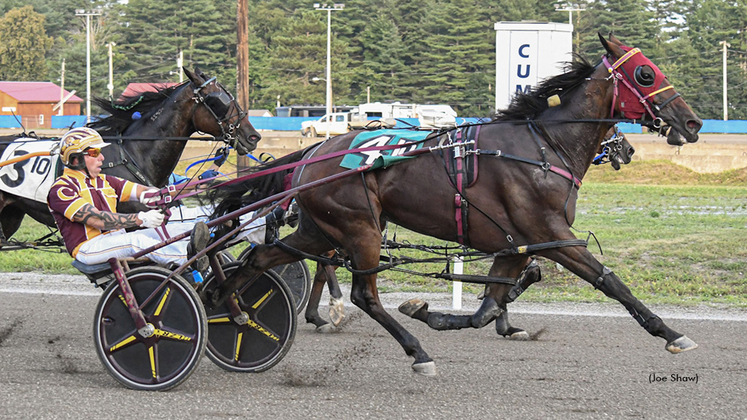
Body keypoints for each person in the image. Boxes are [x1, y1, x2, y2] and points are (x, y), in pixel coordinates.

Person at [47, 127, 210, 274]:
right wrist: (140, 219)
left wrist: (197, 184)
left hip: (114, 239)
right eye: (95, 153)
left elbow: (150, 194)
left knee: (170, 230)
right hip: (88, 248)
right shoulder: (61, 190)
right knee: (135, 240)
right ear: (75, 158)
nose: (102, 158)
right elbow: (97, 220)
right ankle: (188, 259)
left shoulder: (106, 180)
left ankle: (204, 255)